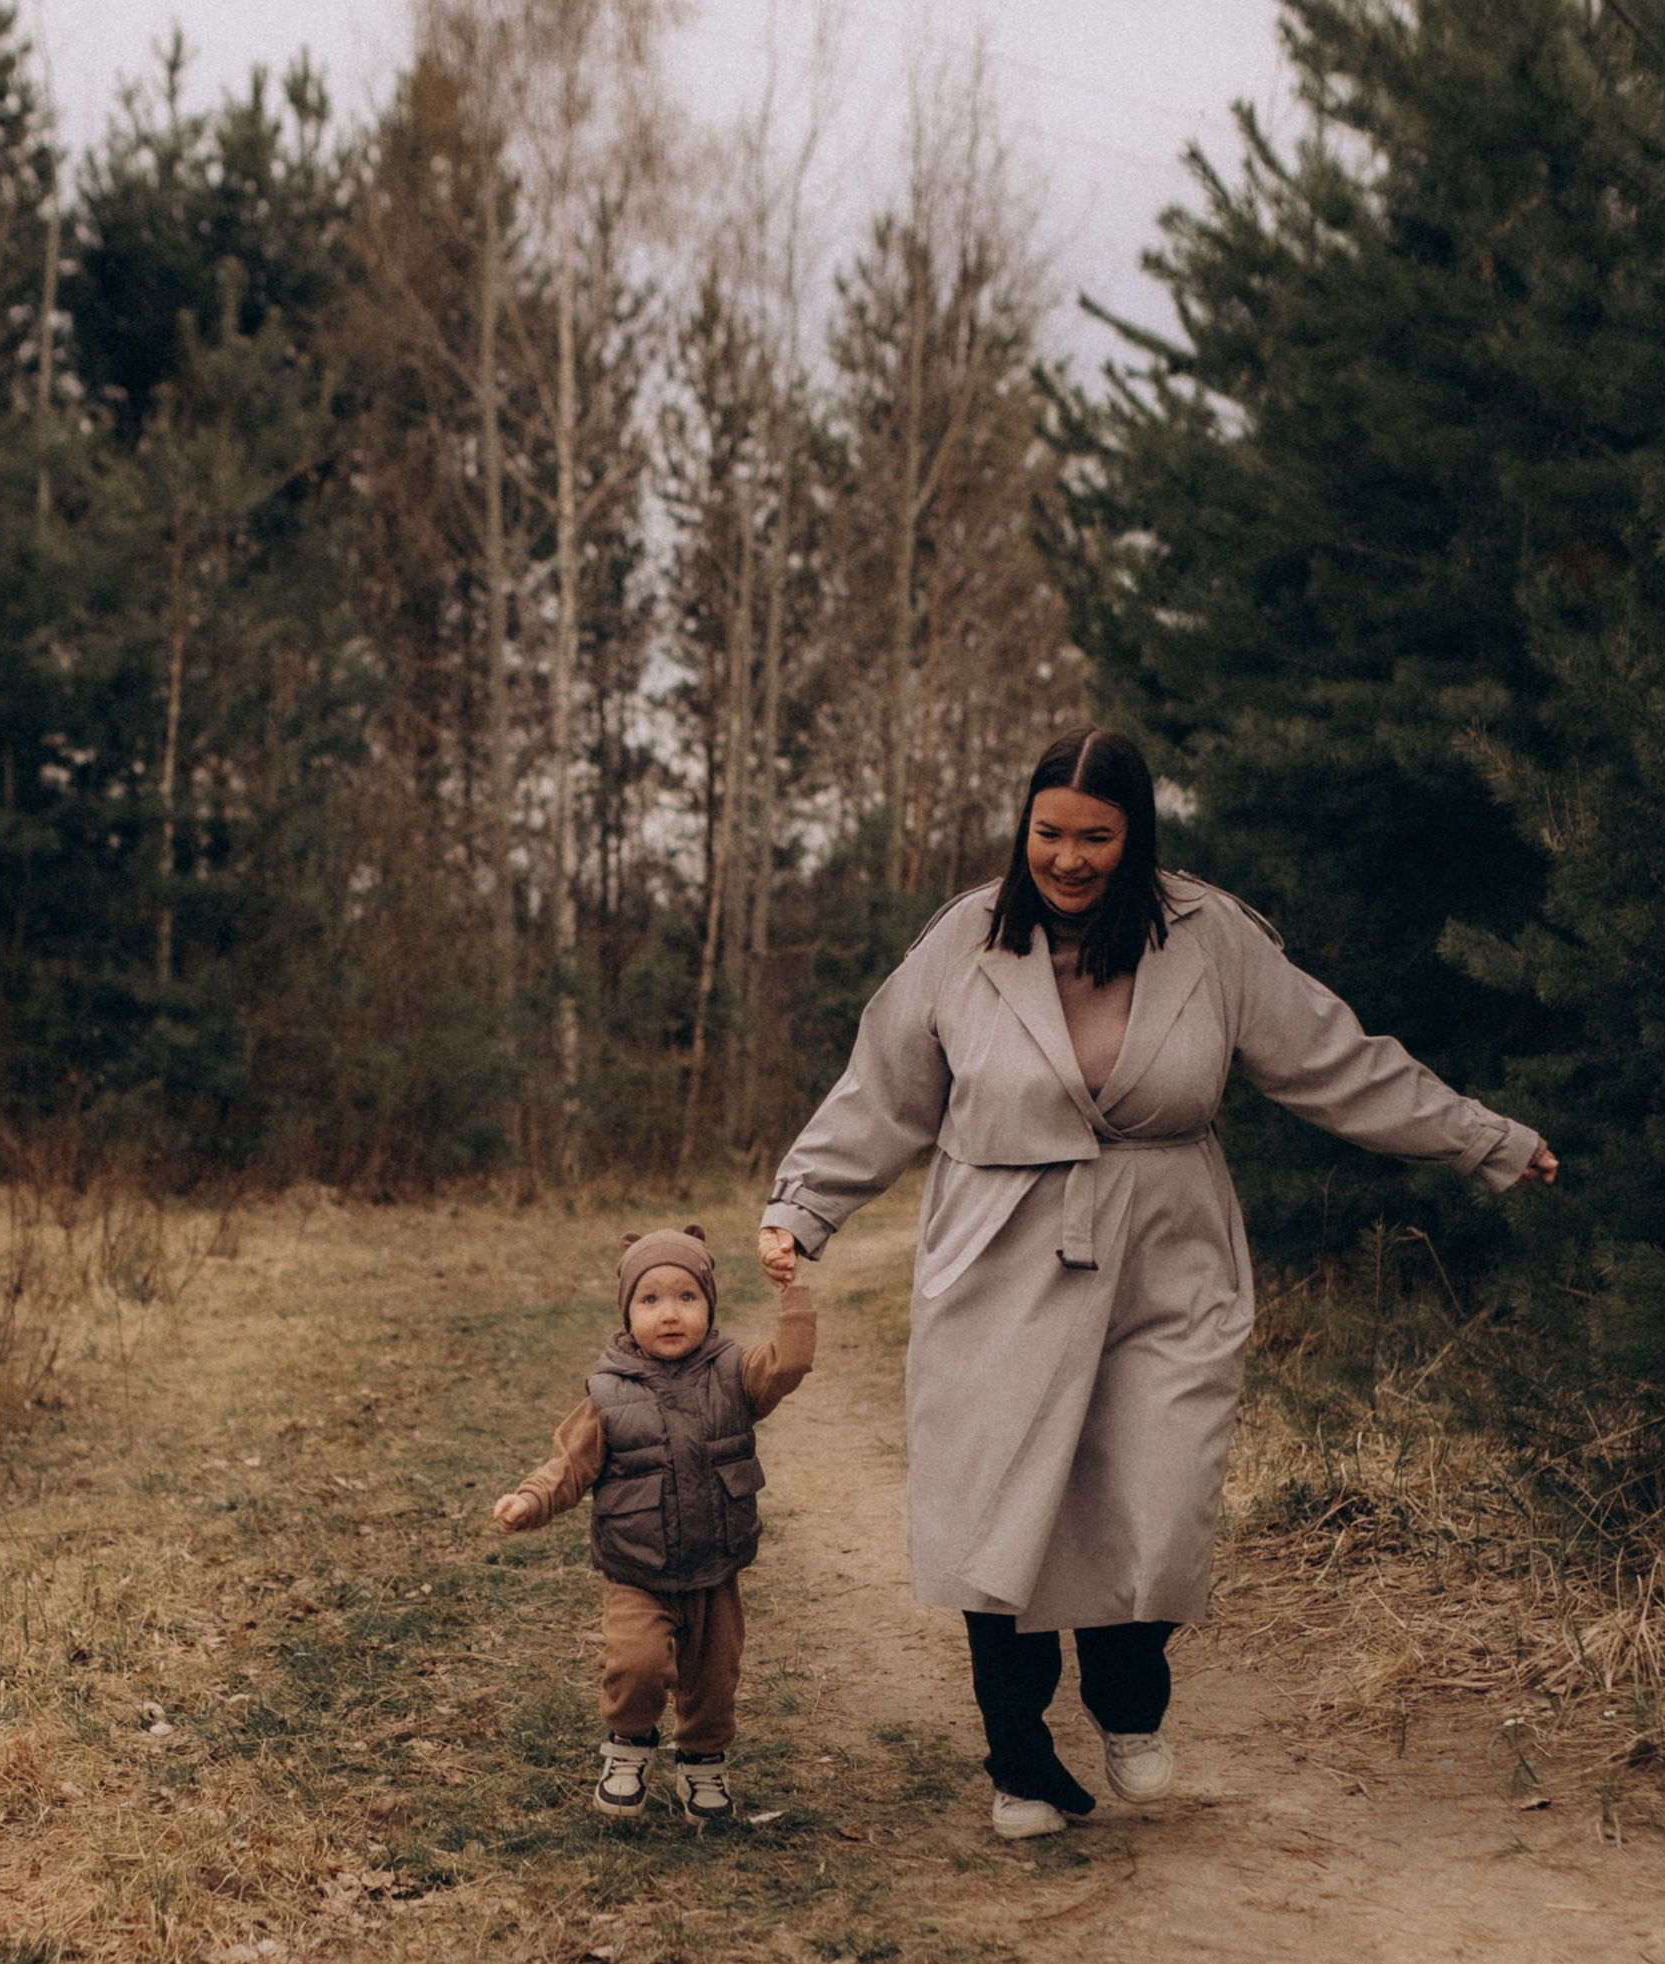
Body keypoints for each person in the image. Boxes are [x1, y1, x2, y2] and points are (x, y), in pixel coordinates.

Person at [757, 726, 1559, 1838]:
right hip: (1001, 1248)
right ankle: (1020, 1762)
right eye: (1048, 833)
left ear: (1134, 837)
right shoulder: (965, 941)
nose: (1069, 858)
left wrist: (1482, 1139)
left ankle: (1129, 1703)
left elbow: (1335, 1059)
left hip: (1166, 1249)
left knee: (1160, 1489)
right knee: (1002, 1512)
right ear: (1021, 828)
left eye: (1095, 836)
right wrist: (803, 1207)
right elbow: (880, 1093)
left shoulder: (1208, 937)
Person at [493, 1224, 817, 1821]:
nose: (670, 1314)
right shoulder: (609, 1392)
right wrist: (531, 1500)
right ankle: (628, 1743)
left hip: (715, 1568)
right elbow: (568, 1465)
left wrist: (791, 1294)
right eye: (651, 1299)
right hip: (636, 1568)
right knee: (635, 1665)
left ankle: (703, 1762)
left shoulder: (734, 1375)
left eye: (686, 1297)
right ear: (627, 1311)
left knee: (714, 1680)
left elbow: (791, 1362)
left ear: (709, 1305)